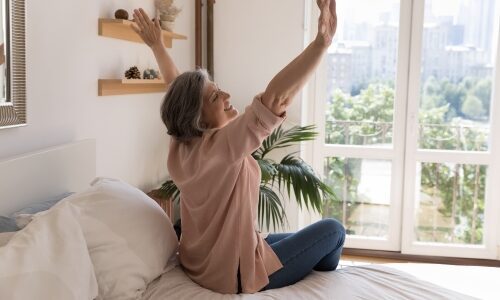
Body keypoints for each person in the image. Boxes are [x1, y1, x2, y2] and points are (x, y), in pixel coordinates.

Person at [132, 0, 345, 294]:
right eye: (215, 96)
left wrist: (157, 46)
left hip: (203, 262)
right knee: (333, 231)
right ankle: (323, 283)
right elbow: (275, 98)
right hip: (233, 272)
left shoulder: (181, 145)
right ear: (199, 117)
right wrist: (321, 44)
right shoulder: (222, 147)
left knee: (294, 237)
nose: (226, 94)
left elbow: (176, 88)